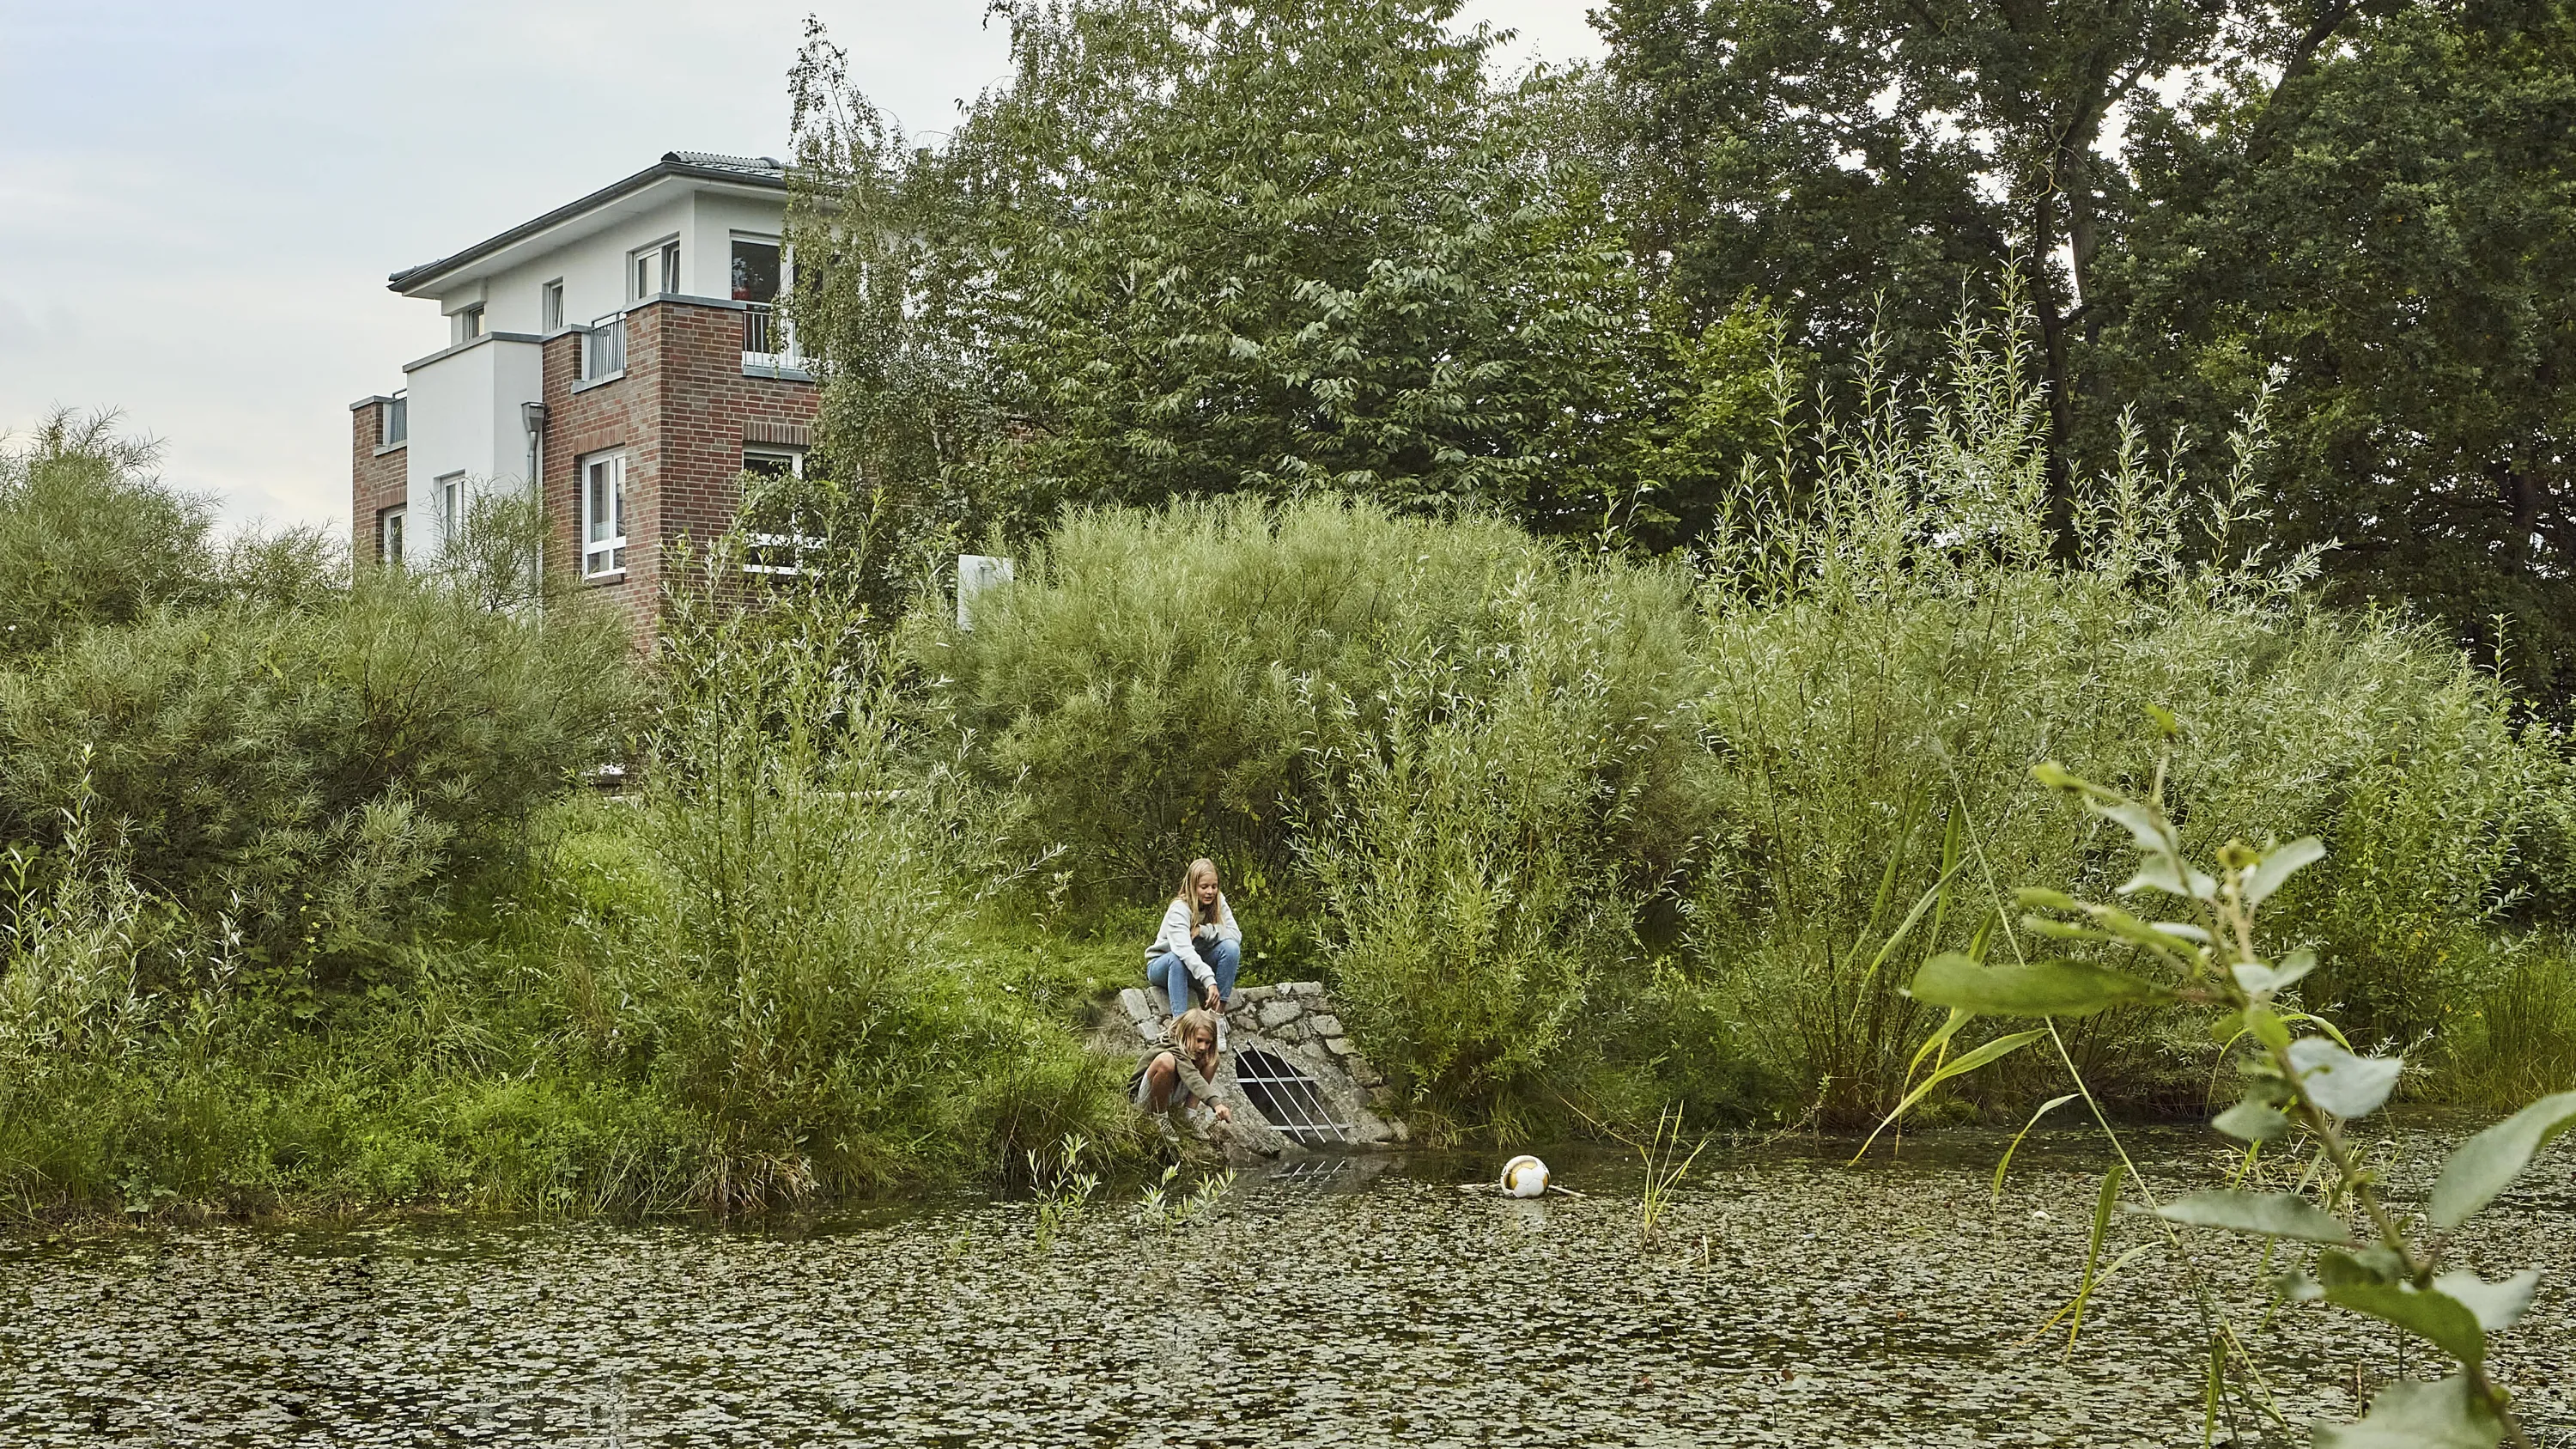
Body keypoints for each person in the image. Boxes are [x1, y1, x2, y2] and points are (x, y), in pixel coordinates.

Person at [1145, 857, 1242, 1017]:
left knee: (1231, 948)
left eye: (1214, 886)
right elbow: (1184, 952)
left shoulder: (1219, 901)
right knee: (1177, 959)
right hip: (1164, 967)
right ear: (1192, 886)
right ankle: (1180, 1023)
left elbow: (1235, 935)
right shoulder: (1179, 909)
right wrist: (1209, 980)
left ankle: (1217, 1016)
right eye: (1204, 887)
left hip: (1195, 968)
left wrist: (1203, 931)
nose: (1210, 892)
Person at [1132, 1008, 1234, 1129]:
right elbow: (1191, 1076)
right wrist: (1216, 1103)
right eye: (1199, 1040)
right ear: (1186, 1034)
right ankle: (1159, 1118)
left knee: (1212, 1059)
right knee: (1166, 1061)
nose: (1203, 1047)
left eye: (1208, 1042)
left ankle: (1189, 1115)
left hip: (1169, 1096)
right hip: (1144, 1099)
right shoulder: (1173, 1046)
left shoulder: (1196, 1050)